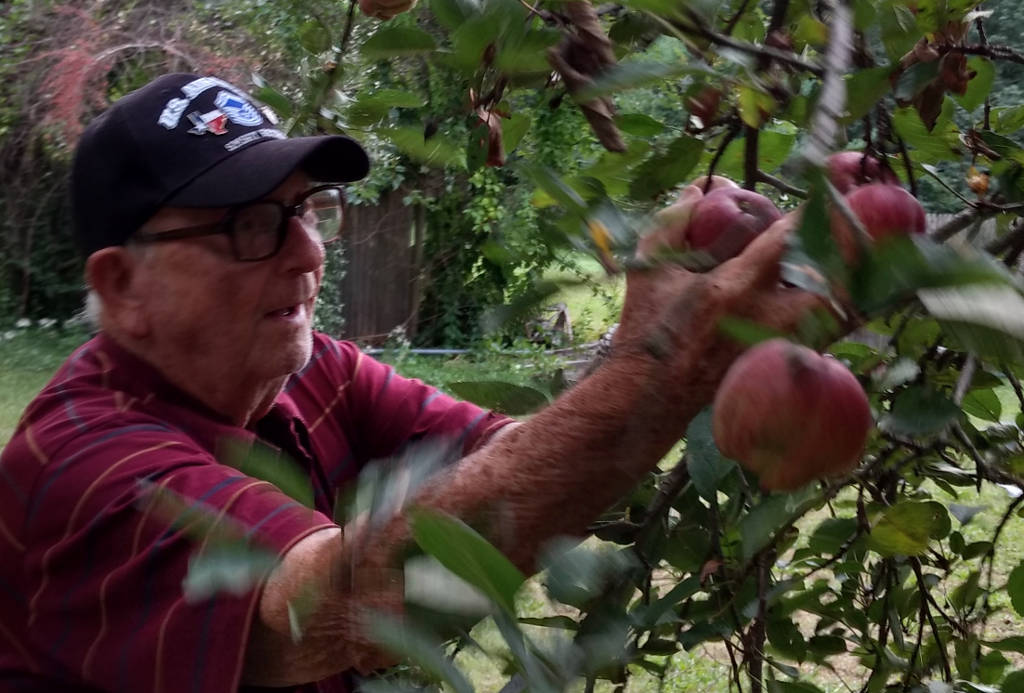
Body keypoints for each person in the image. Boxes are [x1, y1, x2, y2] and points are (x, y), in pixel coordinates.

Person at [0, 73, 833, 692]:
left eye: (307, 209)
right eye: (253, 225)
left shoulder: (311, 370)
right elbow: (338, 603)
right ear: (121, 287)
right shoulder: (84, 466)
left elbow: (516, 461)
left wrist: (690, 358)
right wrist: (655, 369)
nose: (309, 252)